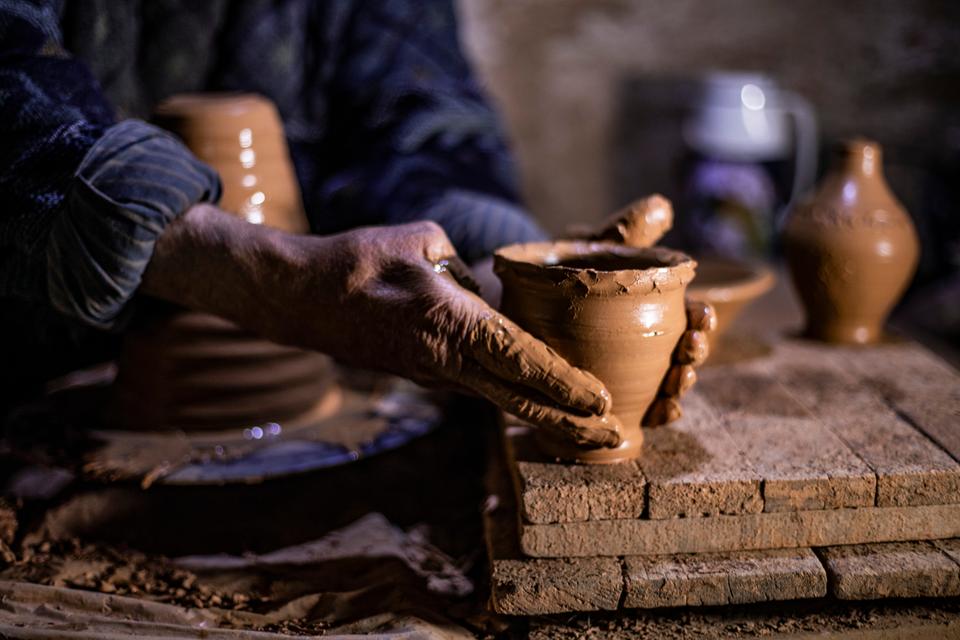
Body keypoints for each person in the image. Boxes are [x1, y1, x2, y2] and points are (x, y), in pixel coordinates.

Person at [0, 1, 701, 446]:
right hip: (34, 389)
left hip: (305, 399)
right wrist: (269, 281)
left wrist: (497, 282)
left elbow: (425, 123)